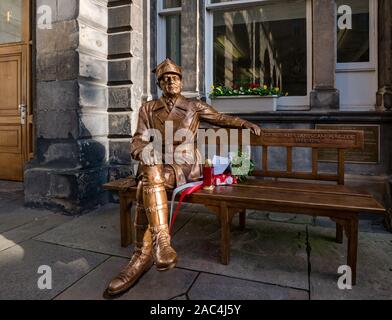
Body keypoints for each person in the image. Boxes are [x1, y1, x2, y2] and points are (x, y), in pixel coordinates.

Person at [106, 59, 262, 296]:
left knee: (149, 176)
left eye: (175, 78)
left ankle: (141, 256)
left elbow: (220, 119)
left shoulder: (193, 106)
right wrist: (143, 151)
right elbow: (138, 139)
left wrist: (245, 123)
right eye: (166, 78)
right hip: (157, 165)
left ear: (181, 81)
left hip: (186, 164)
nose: (171, 81)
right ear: (160, 83)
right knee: (150, 172)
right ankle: (161, 245)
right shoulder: (147, 109)